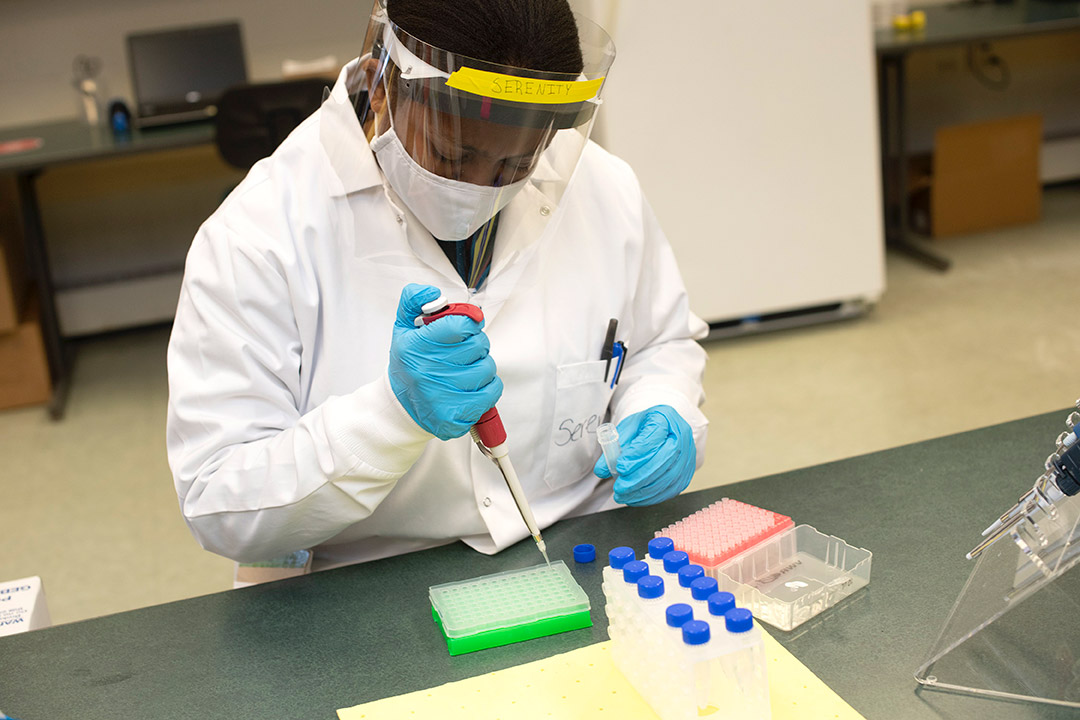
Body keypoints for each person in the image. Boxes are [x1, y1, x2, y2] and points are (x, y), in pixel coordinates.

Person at [166, 0, 708, 570]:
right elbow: (219, 501)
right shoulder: (259, 234)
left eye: (515, 165)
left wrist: (662, 407)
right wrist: (389, 416)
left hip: (574, 547)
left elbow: (658, 344)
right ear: (382, 85)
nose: (480, 187)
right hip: (368, 581)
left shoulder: (604, 187)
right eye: (451, 155)